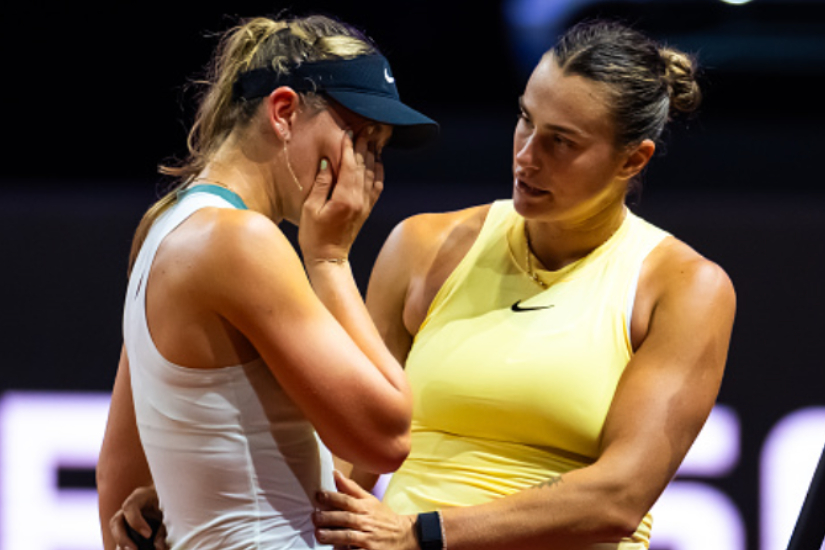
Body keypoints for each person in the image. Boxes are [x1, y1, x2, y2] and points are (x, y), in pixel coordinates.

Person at [113, 19, 736, 550]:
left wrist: (425, 533)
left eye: (560, 142)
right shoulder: (425, 245)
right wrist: (204, 481)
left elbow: (618, 496)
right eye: (525, 121)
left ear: (633, 160)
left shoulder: (684, 286)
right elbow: (351, 449)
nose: (526, 155)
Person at [96, 13, 438, 550]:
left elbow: (117, 481)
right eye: (357, 137)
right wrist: (329, 259)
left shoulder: (166, 224)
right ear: (284, 112)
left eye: (378, 148)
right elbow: (386, 439)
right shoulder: (240, 241)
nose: (367, 171)